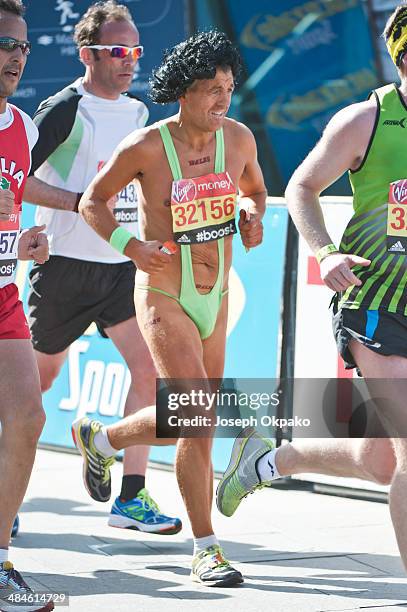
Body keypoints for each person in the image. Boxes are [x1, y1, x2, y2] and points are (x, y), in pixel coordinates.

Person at [71, 30, 267, 586]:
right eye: (211, 89)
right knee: (198, 416)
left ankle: (102, 440)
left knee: (190, 415)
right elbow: (93, 202)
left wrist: (251, 217)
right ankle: (206, 547)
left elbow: (255, 188)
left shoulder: (240, 137)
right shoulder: (148, 146)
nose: (222, 99)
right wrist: (131, 248)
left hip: (216, 292)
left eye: (228, 87)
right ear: (184, 91)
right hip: (165, 293)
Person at [216, 3, 407, 573]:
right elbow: (300, 186)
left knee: (380, 463)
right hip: (376, 305)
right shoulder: (365, 120)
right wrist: (325, 253)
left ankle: (267, 461)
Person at [23, 0, 181, 536]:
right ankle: (7, 496)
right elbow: (16, 178)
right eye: (117, 51)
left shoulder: (138, 113)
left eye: (134, 50)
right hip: (63, 268)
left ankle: (130, 499)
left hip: (121, 266)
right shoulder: (64, 108)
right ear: (87, 53)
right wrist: (76, 207)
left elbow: (136, 186)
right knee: (31, 390)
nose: (129, 60)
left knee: (151, 373)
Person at [0, 1, 55, 609]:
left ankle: (0, 565)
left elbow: (11, 200)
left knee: (28, 418)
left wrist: (25, 241)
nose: (16, 56)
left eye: (22, 46)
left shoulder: (22, 126)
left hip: (3, 295)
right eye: (4, 44)